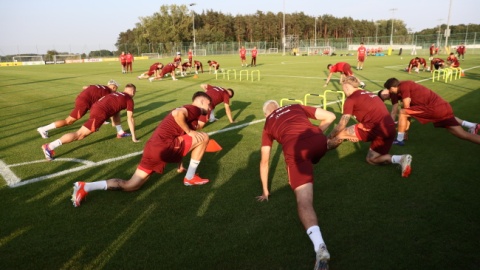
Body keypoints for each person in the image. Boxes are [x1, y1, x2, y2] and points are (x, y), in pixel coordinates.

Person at [71, 91, 213, 207]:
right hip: (163, 146)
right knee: (204, 136)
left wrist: (180, 164)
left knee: (131, 185)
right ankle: (190, 178)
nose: (211, 107)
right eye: (209, 104)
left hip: (152, 148)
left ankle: (86, 187)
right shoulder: (194, 108)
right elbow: (178, 114)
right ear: (201, 101)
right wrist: (189, 132)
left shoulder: (191, 116)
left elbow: (182, 141)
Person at [258, 100, 337, 270]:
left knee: (304, 201)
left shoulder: (267, 124)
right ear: (279, 106)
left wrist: (265, 191)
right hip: (317, 141)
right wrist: (316, 133)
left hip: (296, 150)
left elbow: (264, 161)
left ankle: (320, 247)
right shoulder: (295, 106)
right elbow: (330, 116)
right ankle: (328, 143)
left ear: (266, 114)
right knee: (314, 152)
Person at [327, 76, 413, 178]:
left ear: (346, 87)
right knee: (371, 159)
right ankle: (401, 159)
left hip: (375, 128)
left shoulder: (351, 99)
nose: (343, 91)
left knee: (340, 134)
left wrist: (329, 137)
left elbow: (341, 125)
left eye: (343, 88)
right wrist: (356, 135)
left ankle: (322, 148)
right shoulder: (369, 93)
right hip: (390, 129)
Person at [41, 84, 139, 161]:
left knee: (81, 131)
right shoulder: (129, 99)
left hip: (95, 108)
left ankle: (120, 133)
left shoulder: (115, 94)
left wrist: (118, 129)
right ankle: (49, 146)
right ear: (133, 92)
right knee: (80, 135)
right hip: (100, 113)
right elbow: (130, 118)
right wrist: (134, 137)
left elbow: (115, 111)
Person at [380, 78, 480, 146]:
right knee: (462, 135)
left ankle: (399, 140)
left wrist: (404, 131)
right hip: (444, 108)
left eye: (389, 90)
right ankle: (472, 126)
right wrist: (405, 130)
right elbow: (408, 112)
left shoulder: (403, 86)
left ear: (392, 88)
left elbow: (406, 110)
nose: (389, 92)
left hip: (435, 108)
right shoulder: (406, 86)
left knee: (402, 111)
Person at [36, 80, 119, 139]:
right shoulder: (108, 92)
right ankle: (43, 129)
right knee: (68, 121)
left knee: (95, 108)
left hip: (81, 99)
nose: (115, 92)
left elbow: (85, 87)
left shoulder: (101, 86)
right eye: (116, 89)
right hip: (84, 103)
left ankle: (100, 120)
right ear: (114, 87)